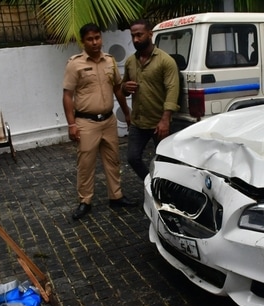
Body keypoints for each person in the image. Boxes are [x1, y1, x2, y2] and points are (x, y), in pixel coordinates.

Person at [62, 23, 136, 220]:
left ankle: (116, 196)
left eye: (97, 38)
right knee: (86, 163)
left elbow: (118, 89)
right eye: (90, 39)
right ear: (83, 41)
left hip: (108, 121)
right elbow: (68, 95)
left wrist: (127, 114)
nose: (94, 42)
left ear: (101, 38)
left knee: (113, 160)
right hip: (86, 123)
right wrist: (71, 124)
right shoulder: (74, 64)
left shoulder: (110, 62)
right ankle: (85, 201)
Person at [122, 19, 180, 180]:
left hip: (158, 123)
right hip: (138, 123)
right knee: (132, 158)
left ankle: (168, 193)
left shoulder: (165, 61)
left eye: (139, 35)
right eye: (133, 36)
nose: (135, 39)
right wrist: (125, 87)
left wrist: (165, 120)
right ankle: (151, 184)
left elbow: (172, 90)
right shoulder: (130, 62)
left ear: (150, 34)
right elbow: (123, 87)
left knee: (166, 162)